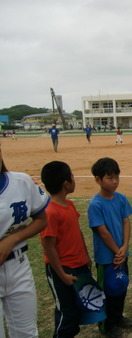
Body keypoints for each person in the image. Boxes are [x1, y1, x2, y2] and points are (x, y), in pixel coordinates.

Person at [0, 141, 49, 337]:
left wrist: (13, 239)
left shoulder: (21, 182)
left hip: (18, 265)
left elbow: (41, 219)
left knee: (27, 333)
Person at [40, 161, 93, 337]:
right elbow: (49, 248)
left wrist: (86, 256)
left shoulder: (69, 205)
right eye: (71, 175)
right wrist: (62, 274)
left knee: (77, 308)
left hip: (79, 265)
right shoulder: (50, 212)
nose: (74, 178)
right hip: (61, 270)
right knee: (66, 311)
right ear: (66, 183)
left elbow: (77, 233)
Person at [88, 158, 132, 337]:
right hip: (107, 258)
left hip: (122, 254)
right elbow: (103, 232)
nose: (114, 181)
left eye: (117, 177)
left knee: (120, 286)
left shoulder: (121, 198)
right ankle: (106, 325)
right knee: (107, 291)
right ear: (98, 180)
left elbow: (126, 222)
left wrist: (125, 247)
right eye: (109, 178)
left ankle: (118, 317)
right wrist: (117, 251)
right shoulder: (95, 204)